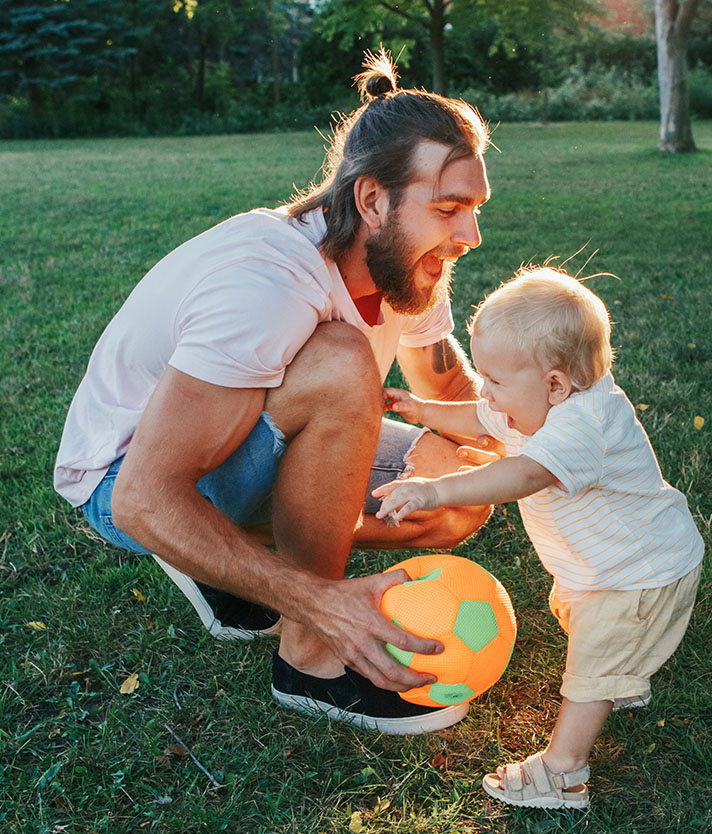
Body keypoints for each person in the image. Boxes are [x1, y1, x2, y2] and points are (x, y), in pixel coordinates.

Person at [53, 50, 496, 735]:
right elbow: (145, 496)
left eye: (472, 209)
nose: (469, 236)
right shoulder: (266, 285)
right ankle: (308, 657)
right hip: (127, 483)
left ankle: (223, 565)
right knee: (342, 361)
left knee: (463, 486)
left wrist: (549, 439)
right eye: (447, 209)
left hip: (229, 457)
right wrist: (326, 602)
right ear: (372, 199)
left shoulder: (407, 266)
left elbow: (452, 394)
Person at [373, 266, 704, 805]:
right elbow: (482, 417)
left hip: (638, 574)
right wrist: (424, 409)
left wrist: (436, 491)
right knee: (584, 629)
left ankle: (563, 772)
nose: (487, 391)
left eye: (497, 381)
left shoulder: (584, 422)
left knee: (589, 672)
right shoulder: (534, 403)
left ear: (555, 384)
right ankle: (619, 673)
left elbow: (524, 474)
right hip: (599, 568)